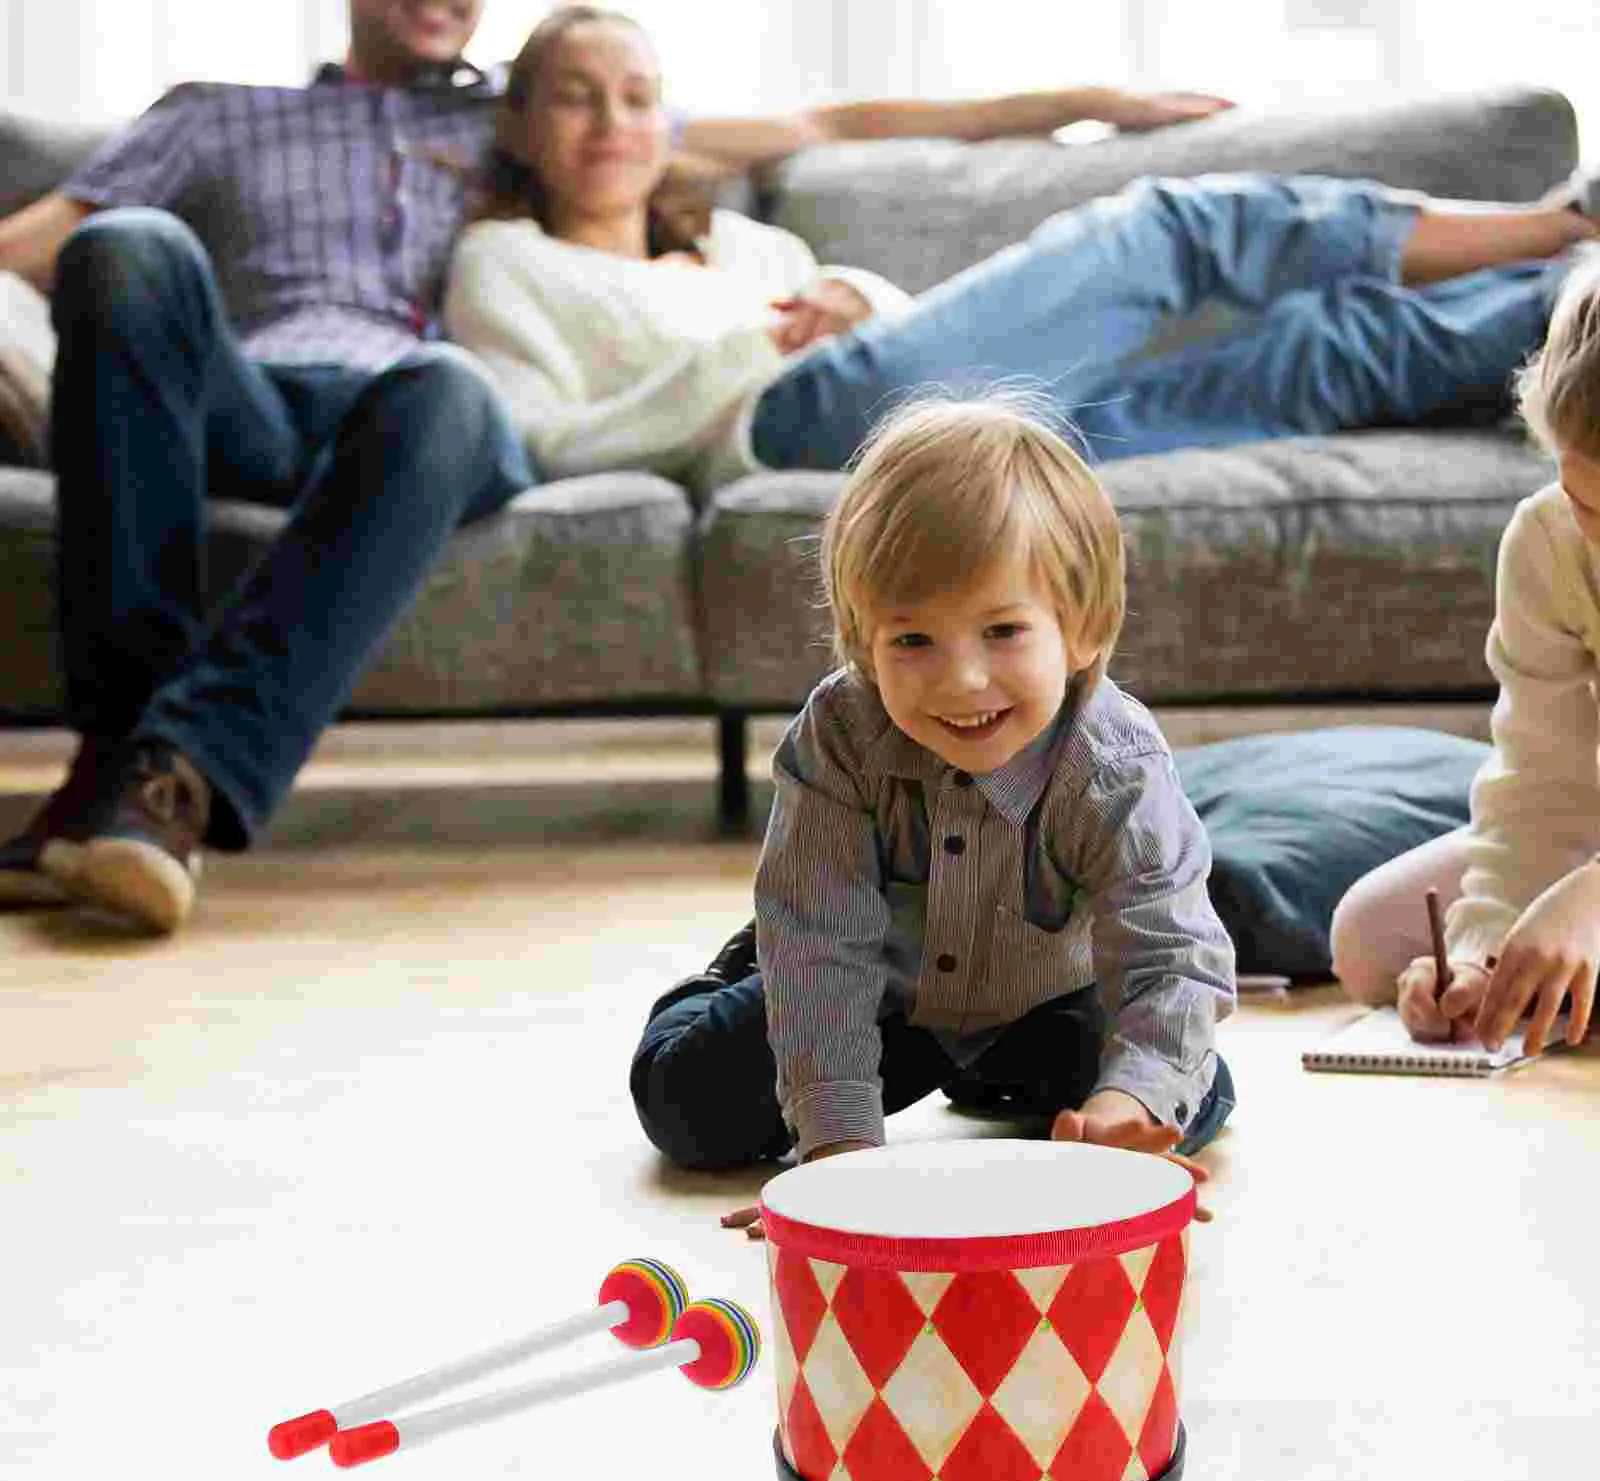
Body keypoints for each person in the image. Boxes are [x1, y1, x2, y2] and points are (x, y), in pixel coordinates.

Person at [0, 0, 1234, 933]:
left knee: (440, 386)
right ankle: (124, 772)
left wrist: (1085, 98)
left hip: (426, 419)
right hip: (257, 396)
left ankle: (165, 779)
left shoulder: (515, 116)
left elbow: (829, 124)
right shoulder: (214, 113)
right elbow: (31, 247)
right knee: (130, 247)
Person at [445, 2, 1600, 508]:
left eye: (637, 98)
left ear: (669, 121)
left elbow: (904, 338)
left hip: (945, 434)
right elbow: (531, 442)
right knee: (1169, 230)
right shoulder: (506, 262)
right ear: (519, 124)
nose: (611, 125)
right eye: (576, 100)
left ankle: (1571, 292)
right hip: (790, 424)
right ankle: (1563, 221)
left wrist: (858, 295)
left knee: (1310, 356)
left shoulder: (746, 243)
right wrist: (737, 357)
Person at [630, 391, 1239, 1219]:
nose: (962, 681)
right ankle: (733, 970)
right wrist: (840, 1169)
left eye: (1003, 632)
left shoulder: (1114, 763)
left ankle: (1008, 1083)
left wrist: (1125, 1109)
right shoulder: (842, 733)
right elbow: (822, 952)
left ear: (1083, 628)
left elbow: (1171, 956)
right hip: (879, 990)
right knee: (687, 1108)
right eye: (913, 640)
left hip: (1043, 999)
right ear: (864, 642)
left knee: (1184, 1099)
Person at [1329, 256, 1600, 1061]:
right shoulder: (1550, 539)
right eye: (1588, 500)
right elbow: (1543, 778)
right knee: (1369, 937)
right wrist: (1485, 953)